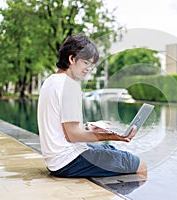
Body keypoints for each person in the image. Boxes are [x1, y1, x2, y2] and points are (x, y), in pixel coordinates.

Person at [37, 34, 147, 178]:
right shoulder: (69, 86)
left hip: (55, 161)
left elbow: (62, 128)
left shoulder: (50, 81)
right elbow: (72, 135)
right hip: (69, 161)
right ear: (72, 59)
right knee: (140, 165)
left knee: (110, 149)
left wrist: (91, 127)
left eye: (91, 64)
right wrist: (114, 135)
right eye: (86, 62)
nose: (88, 68)